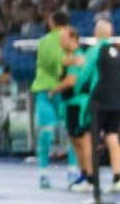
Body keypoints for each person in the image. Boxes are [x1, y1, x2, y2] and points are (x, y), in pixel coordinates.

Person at [76, 19, 120, 193]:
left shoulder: (94, 50)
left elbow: (84, 75)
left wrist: (77, 89)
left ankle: (91, 181)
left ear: (96, 33)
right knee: (112, 138)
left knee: (90, 140)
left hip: (99, 101)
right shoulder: (117, 51)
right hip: (118, 101)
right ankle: (117, 179)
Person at [31, 10, 75, 188]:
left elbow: (48, 63)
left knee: (46, 133)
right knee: (72, 134)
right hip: (66, 92)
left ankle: (43, 173)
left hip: (46, 92)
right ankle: (73, 171)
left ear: (51, 22)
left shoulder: (43, 42)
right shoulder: (72, 39)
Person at [53, 27, 93, 192]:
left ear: (73, 38)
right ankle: (83, 173)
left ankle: (90, 177)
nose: (61, 41)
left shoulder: (79, 56)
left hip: (79, 104)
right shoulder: (70, 58)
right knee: (75, 141)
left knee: (83, 140)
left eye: (63, 38)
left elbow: (70, 81)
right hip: (70, 103)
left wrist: (53, 90)